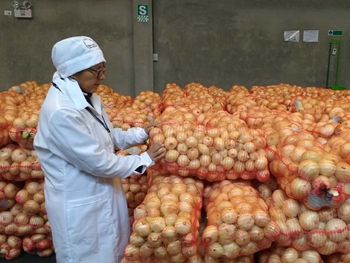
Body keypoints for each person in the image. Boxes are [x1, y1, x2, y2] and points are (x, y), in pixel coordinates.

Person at [33, 36, 165, 263]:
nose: (102, 78)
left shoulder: (86, 97)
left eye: (103, 69)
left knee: (110, 251)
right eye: (96, 72)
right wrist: (145, 159)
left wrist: (141, 133)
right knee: (87, 256)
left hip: (100, 194)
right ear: (73, 71)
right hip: (80, 203)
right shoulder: (62, 111)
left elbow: (106, 136)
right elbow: (98, 162)